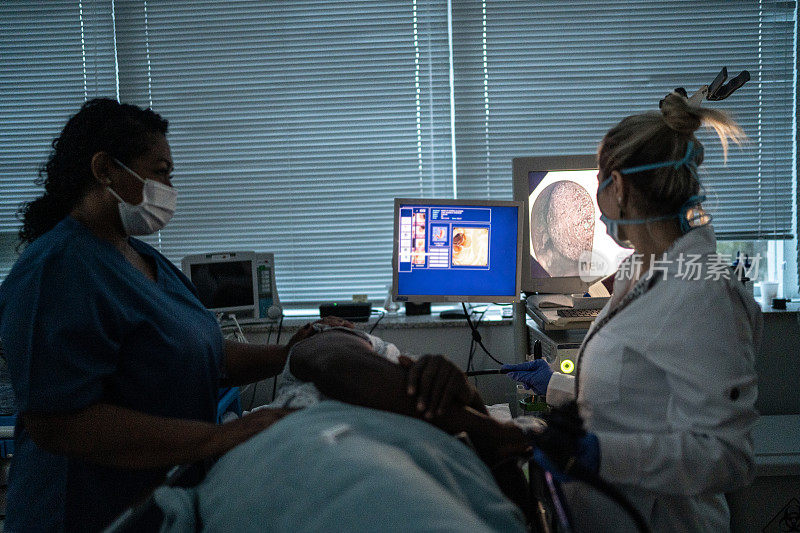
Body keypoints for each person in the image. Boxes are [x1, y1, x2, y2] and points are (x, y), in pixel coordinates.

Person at [0, 98, 347, 532]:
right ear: (105, 169)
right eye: (160, 171)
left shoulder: (141, 258)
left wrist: (290, 355)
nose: (170, 186)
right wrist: (220, 438)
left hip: (156, 504)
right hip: (82, 513)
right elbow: (61, 423)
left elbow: (204, 352)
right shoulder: (57, 270)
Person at [503, 91, 761, 531]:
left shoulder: (702, 289)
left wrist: (601, 454)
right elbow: (640, 397)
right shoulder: (638, 273)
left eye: (601, 181)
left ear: (618, 187)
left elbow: (727, 457)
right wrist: (560, 386)